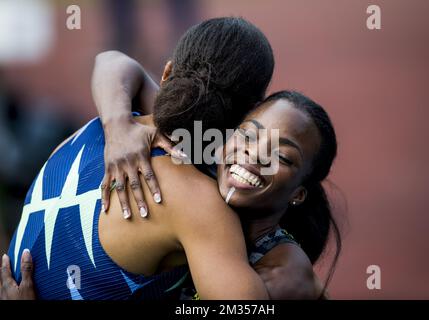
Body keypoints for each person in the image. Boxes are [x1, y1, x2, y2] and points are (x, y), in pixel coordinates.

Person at [2, 17, 275, 300]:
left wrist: (117, 124)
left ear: (167, 73)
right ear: (254, 113)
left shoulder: (88, 132)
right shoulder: (200, 203)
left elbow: (112, 61)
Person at [1, 90, 341, 300]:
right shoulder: (206, 173)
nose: (254, 155)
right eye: (248, 135)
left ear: (299, 194)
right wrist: (121, 125)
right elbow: (116, 64)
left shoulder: (281, 276)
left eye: (282, 157)